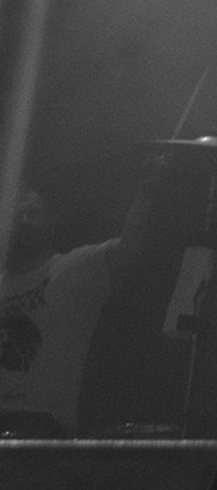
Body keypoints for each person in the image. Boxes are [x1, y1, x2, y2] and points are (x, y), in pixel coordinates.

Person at [0, 170, 159, 438]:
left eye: (32, 212)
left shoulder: (74, 269)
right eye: (16, 215)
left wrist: (146, 193)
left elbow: (128, 248)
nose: (24, 221)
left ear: (53, 218)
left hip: (42, 428)